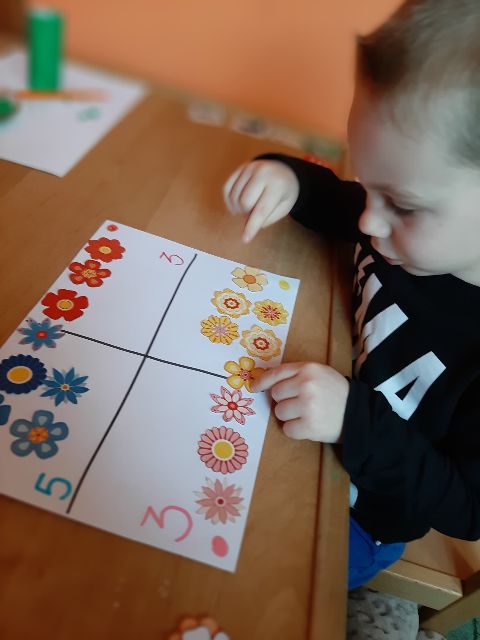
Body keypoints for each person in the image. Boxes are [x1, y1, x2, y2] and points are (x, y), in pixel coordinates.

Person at [223, 0, 480, 590]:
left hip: (365, 516)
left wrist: (353, 420)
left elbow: (468, 507)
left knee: (256, 584)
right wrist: (288, 178)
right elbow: (334, 201)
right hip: (307, 409)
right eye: (367, 185)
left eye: (402, 204)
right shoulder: (397, 225)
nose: (368, 221)